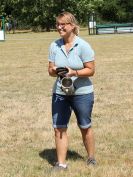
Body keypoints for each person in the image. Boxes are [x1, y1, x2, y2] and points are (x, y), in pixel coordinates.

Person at [48, 11, 96, 170]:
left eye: (63, 24)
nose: (59, 27)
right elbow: (49, 70)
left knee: (84, 126)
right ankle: (61, 164)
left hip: (82, 93)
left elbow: (91, 70)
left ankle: (91, 158)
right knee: (59, 127)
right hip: (60, 93)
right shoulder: (54, 45)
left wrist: (74, 72)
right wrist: (55, 70)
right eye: (57, 24)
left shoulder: (83, 46)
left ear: (72, 26)